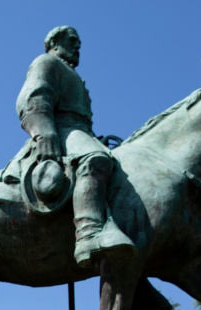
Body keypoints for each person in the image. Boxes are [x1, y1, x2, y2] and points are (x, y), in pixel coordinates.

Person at [15, 25, 136, 267]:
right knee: (95, 160)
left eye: (78, 42)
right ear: (54, 43)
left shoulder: (73, 75)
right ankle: (89, 234)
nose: (77, 46)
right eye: (72, 40)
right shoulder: (46, 62)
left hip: (80, 132)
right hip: (59, 130)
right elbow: (32, 97)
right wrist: (44, 132)